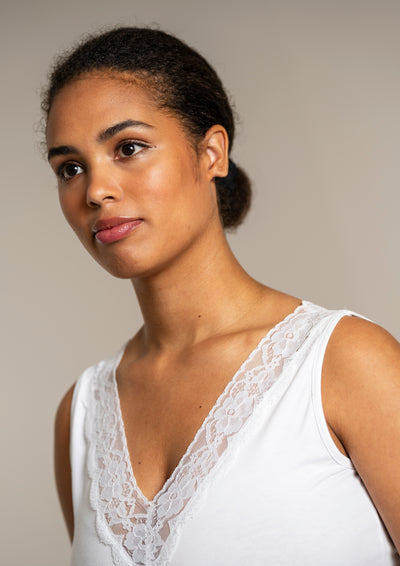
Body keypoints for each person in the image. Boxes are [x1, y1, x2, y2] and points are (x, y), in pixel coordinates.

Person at [43, 27, 400, 565]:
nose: (95, 191)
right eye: (70, 168)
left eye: (129, 148)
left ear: (211, 152)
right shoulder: (81, 415)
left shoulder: (344, 364)